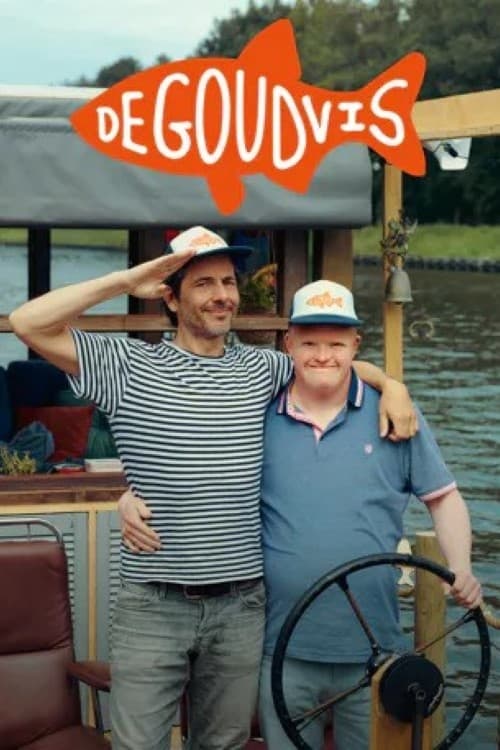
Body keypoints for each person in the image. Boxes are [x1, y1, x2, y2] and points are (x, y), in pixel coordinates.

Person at [9, 226, 416, 750]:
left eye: (228, 282)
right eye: (203, 283)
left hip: (241, 606)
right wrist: (128, 280)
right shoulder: (126, 366)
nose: (223, 294)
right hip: (153, 605)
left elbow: (332, 363)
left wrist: (391, 385)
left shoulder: (265, 369)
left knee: (222, 745)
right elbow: (27, 322)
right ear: (171, 298)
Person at [256, 279, 482, 749]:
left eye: (336, 343)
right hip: (280, 650)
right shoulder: (258, 412)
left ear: (356, 345)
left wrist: (460, 567)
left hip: (375, 654)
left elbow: (443, 498)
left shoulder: (396, 414)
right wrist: (138, 492)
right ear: (289, 343)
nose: (323, 355)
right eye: (310, 342)